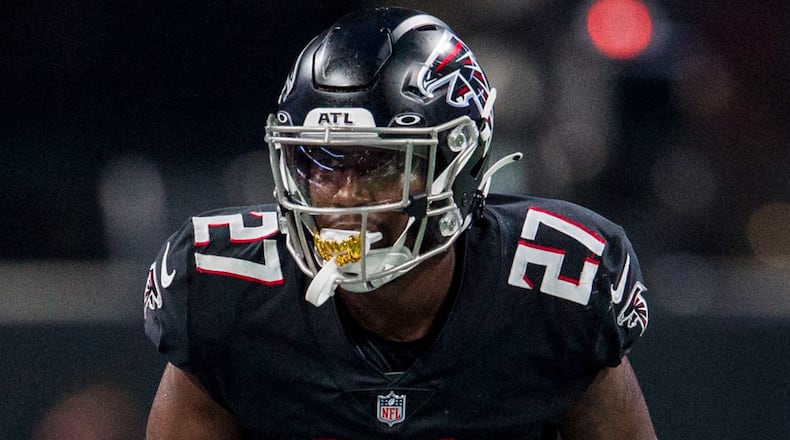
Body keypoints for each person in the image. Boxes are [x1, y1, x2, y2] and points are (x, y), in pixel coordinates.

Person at [143, 6, 656, 439]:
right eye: (321, 161)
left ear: (459, 166)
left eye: (377, 164)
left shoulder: (558, 289)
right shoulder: (224, 296)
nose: (342, 198)